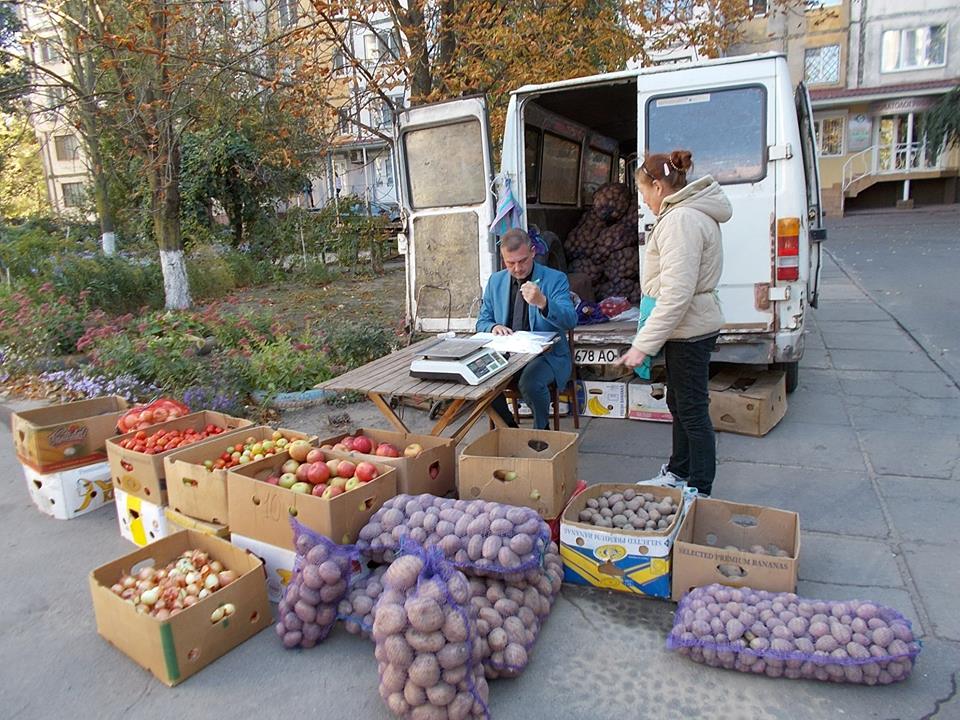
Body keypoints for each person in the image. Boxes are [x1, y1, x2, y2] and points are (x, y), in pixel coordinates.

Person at [614, 150, 731, 496]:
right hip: (689, 328)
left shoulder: (681, 220)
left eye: (643, 192)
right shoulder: (685, 214)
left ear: (657, 186)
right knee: (679, 404)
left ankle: (699, 489)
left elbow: (676, 295)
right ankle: (680, 473)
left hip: (690, 331)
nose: (643, 201)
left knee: (692, 411)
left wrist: (643, 345)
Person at [477, 228, 578, 430]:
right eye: (510, 263)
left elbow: (570, 320)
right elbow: (482, 321)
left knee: (530, 383)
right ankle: (510, 429)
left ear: (532, 252)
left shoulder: (555, 278)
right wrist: (494, 326)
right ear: (503, 259)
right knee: (480, 380)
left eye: (522, 261)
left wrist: (543, 303)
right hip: (507, 353)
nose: (517, 268)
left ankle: (542, 430)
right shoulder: (495, 281)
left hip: (547, 356)